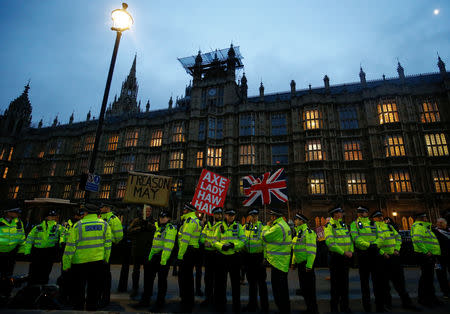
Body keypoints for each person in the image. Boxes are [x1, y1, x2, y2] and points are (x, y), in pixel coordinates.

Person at [62, 203, 112, 311]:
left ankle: (78, 309)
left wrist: (66, 264)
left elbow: (70, 247)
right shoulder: (105, 225)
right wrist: (106, 259)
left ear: (85, 213)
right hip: (97, 262)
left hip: (79, 263)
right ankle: (91, 309)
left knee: (78, 290)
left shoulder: (78, 225)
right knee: (94, 290)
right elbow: (108, 245)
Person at [371, 211, 417, 310]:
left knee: (400, 282)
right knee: (384, 284)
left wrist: (397, 249)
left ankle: (407, 303)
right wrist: (383, 253)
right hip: (382, 259)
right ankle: (387, 303)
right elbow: (373, 243)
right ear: (373, 218)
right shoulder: (372, 228)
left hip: (394, 257)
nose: (380, 218)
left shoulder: (389, 226)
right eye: (377, 217)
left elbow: (398, 238)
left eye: (381, 216)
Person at [133, 210, 177, 311]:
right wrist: (149, 257)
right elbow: (153, 243)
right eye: (161, 217)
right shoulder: (156, 227)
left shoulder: (170, 229)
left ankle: (160, 304)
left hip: (163, 258)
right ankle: (145, 301)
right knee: (148, 281)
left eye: (164, 217)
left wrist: (163, 261)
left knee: (161, 282)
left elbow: (168, 246)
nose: (162, 218)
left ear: (169, 218)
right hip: (153, 257)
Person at [350, 206, 384, 312]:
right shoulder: (354, 224)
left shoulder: (373, 223)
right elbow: (355, 238)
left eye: (364, 212)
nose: (364, 213)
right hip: (363, 254)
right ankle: (367, 305)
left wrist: (375, 245)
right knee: (364, 282)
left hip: (374, 253)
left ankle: (380, 305)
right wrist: (368, 245)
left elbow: (381, 236)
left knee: (377, 281)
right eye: (363, 212)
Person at [213, 208, 245, 312]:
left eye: (232, 215)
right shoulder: (219, 226)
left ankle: (236, 306)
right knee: (221, 284)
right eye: (228, 215)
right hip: (222, 258)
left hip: (234, 258)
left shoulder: (238, 227)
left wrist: (233, 245)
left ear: (234, 216)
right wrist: (221, 246)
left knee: (235, 284)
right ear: (225, 215)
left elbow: (243, 241)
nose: (230, 217)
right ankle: (221, 305)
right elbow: (214, 241)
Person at [262, 208, 292, 313]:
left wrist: (266, 226)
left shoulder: (277, 227)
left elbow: (264, 237)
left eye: (272, 216)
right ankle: (285, 308)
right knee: (283, 289)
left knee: (278, 290)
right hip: (283, 261)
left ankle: (283, 309)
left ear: (275, 217)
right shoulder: (285, 225)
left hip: (277, 262)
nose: (271, 218)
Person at [324, 206, 353, 313]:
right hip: (336, 258)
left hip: (346, 258)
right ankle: (334, 307)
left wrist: (351, 251)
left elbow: (349, 239)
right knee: (335, 285)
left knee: (345, 284)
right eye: (340, 212)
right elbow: (330, 243)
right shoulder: (329, 225)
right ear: (335, 214)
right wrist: (343, 252)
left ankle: (345, 306)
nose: (342, 214)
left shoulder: (343, 225)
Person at [24, 209, 63, 285]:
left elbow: (64, 235)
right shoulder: (37, 227)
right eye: (51, 216)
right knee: (34, 270)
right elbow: (29, 239)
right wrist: (27, 251)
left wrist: (62, 243)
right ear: (46, 217)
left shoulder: (58, 227)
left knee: (46, 270)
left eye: (54, 216)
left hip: (49, 252)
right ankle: (31, 286)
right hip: (37, 252)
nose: (53, 218)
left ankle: (42, 286)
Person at [411, 212, 442, 307]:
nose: (426, 219)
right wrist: (426, 251)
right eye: (425, 217)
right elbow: (417, 240)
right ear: (421, 218)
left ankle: (431, 297)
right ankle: (424, 299)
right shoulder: (418, 227)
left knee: (429, 278)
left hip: (430, 255)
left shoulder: (424, 227)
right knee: (426, 278)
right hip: (425, 255)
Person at [242, 208, 268, 312]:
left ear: (258, 216)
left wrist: (265, 258)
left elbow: (266, 244)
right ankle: (252, 304)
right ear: (249, 216)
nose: (253, 218)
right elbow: (243, 241)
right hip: (249, 258)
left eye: (255, 216)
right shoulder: (245, 227)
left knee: (262, 283)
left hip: (259, 257)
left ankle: (264, 306)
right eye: (252, 216)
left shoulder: (263, 227)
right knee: (251, 283)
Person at [292, 213, 318, 314]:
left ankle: (313, 310)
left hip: (306, 265)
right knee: (305, 289)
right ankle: (309, 308)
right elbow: (296, 249)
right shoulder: (299, 232)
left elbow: (311, 250)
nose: (295, 221)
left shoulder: (308, 232)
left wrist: (309, 265)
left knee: (310, 290)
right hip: (300, 265)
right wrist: (293, 262)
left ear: (301, 221)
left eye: (297, 219)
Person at [177, 203, 201, 313]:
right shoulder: (190, 220)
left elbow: (185, 239)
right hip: (190, 251)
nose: (183, 210)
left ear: (189, 210)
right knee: (187, 279)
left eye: (185, 209)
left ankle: (186, 305)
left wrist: (180, 255)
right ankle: (187, 303)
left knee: (185, 280)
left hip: (188, 251)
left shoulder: (190, 221)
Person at [99, 201, 124, 307]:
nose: (100, 209)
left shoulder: (113, 219)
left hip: (107, 249)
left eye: (102, 207)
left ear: (107, 208)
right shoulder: (99, 218)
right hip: (97, 250)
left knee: (105, 275)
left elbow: (119, 236)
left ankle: (105, 298)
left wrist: (109, 239)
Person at [128, 205, 156, 298]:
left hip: (148, 249)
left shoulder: (153, 221)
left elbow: (155, 230)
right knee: (136, 271)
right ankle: (135, 289)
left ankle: (147, 290)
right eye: (146, 211)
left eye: (149, 211)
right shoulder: (136, 220)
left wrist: (147, 224)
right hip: (137, 249)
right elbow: (129, 231)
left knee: (148, 272)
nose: (147, 213)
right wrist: (139, 228)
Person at [199, 206, 223, 306]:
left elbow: (224, 239)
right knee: (208, 279)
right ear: (213, 215)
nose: (219, 216)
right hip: (208, 255)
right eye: (217, 214)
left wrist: (212, 244)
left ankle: (218, 300)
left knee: (218, 279)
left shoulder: (222, 226)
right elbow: (201, 238)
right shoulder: (207, 226)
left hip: (218, 255)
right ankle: (208, 298)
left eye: (220, 214)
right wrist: (205, 242)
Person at [0, 207, 25, 298]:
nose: (17, 214)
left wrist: (22, 251)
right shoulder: (0, 222)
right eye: (15, 212)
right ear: (8, 212)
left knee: (8, 275)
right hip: (0, 252)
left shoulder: (19, 223)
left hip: (11, 253)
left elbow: (22, 237)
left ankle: (6, 293)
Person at [433, 217, 449, 299]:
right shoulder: (434, 232)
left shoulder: (449, 231)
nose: (439, 224)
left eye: (442, 222)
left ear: (446, 223)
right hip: (438, 258)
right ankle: (445, 292)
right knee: (441, 276)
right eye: (438, 222)